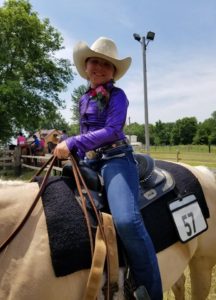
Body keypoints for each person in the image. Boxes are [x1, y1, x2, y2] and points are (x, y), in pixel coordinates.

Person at [54, 37, 162, 299]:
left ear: (114, 71)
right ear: (86, 65)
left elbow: (112, 130)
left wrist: (74, 141)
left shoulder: (118, 96)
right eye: (95, 61)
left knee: (126, 220)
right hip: (90, 160)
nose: (99, 67)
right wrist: (70, 152)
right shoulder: (83, 100)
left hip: (116, 158)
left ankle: (150, 290)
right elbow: (85, 132)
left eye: (107, 64)